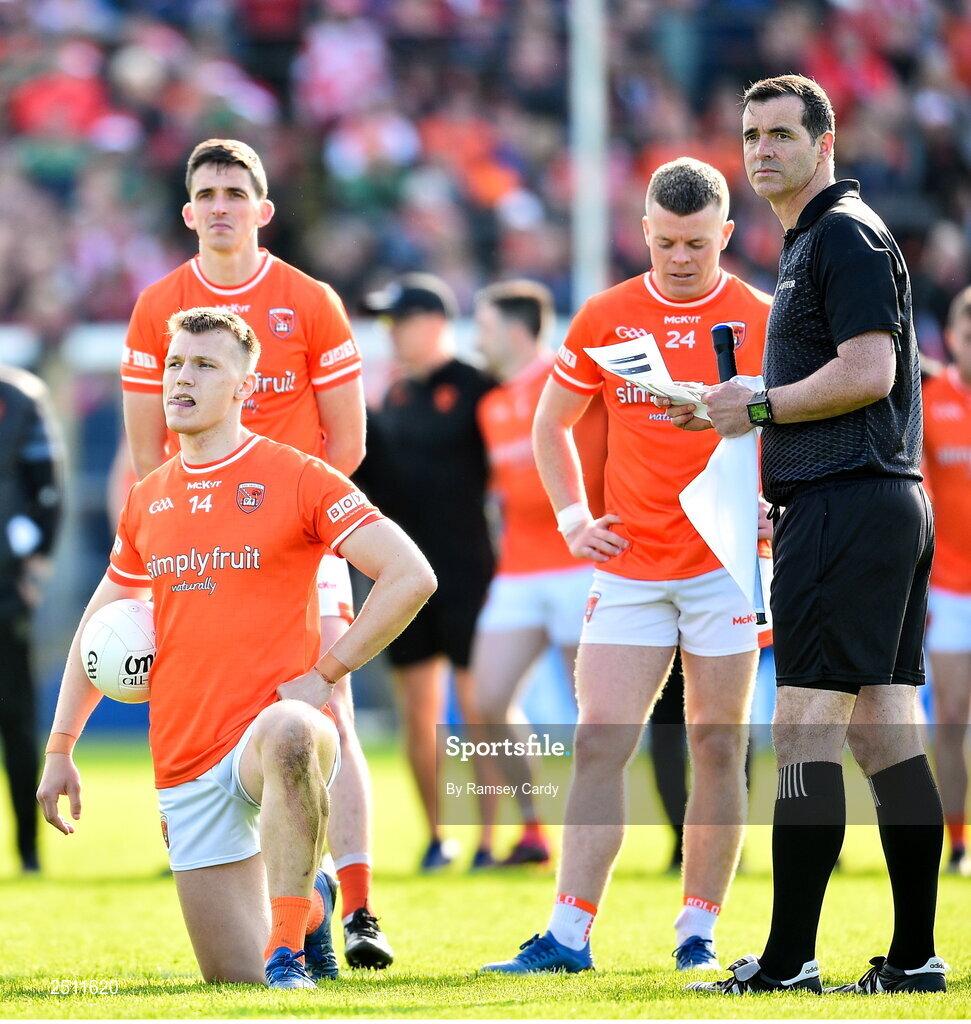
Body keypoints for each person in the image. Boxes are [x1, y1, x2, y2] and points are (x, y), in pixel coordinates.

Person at [37, 309, 436, 990]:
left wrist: (325, 675)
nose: (181, 379)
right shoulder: (148, 499)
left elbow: (410, 575)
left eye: (204, 366)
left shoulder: (299, 476)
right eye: (174, 364)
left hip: (274, 728)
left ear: (243, 387)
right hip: (185, 755)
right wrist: (60, 748)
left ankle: (289, 950)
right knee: (231, 980)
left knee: (289, 733)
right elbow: (100, 624)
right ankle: (310, 908)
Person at [670, 74, 948, 996]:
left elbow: (869, 370)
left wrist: (758, 405)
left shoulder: (842, 234)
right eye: (749, 133)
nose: (761, 150)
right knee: (885, 736)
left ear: (823, 143)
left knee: (801, 736)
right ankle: (914, 958)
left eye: (781, 133)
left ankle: (788, 961)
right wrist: (758, 428)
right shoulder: (814, 239)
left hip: (848, 504)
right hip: (866, 502)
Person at [480, 156, 771, 974]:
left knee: (717, 746)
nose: (680, 259)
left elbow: (793, 424)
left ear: (725, 234)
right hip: (631, 567)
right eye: (666, 242)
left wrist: (774, 502)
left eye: (696, 244)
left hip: (725, 570)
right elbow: (552, 425)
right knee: (601, 741)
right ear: (643, 231)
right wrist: (574, 515)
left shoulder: (762, 313)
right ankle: (567, 939)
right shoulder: (608, 315)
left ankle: (696, 936)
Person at [119, 139, 393, 969]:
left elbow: (346, 441)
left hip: (303, 536)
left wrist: (283, 513)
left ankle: (358, 909)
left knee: (325, 715)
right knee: (211, 712)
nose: (221, 205)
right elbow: (147, 458)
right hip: (201, 547)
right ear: (188, 211)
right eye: (206, 193)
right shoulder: (156, 304)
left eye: (237, 191)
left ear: (263, 209)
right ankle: (282, 900)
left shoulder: (308, 301)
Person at [356, 272, 497, 871]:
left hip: (469, 571)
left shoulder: (477, 387)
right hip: (403, 580)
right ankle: (439, 838)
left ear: (436, 322)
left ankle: (491, 840)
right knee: (418, 711)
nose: (390, 333)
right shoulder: (392, 398)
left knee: (477, 707)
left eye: (400, 320)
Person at [468, 279, 606, 870]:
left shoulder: (578, 382)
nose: (478, 338)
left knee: (596, 713)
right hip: (519, 571)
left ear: (518, 330)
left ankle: (593, 841)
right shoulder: (491, 404)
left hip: (584, 563)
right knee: (487, 699)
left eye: (485, 326)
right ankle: (533, 829)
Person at [0, 363, 63, 874]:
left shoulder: (18, 397)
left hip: (3, 586)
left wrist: (35, 567)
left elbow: (49, 487)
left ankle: (28, 852)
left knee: (16, 719)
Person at [921, 285, 971, 877]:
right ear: (954, 339)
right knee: (952, 715)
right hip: (952, 588)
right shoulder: (932, 401)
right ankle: (957, 844)